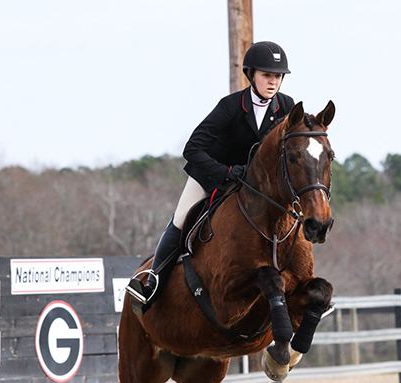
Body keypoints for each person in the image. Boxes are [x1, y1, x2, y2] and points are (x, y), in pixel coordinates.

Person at [126, 41, 295, 315]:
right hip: (213, 176)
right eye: (267, 75)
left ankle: (299, 287)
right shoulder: (230, 106)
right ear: (251, 74)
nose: (273, 81)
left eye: (277, 76)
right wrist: (227, 172)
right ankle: (152, 282)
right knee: (181, 220)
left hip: (256, 188)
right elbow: (192, 149)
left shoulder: (286, 107)